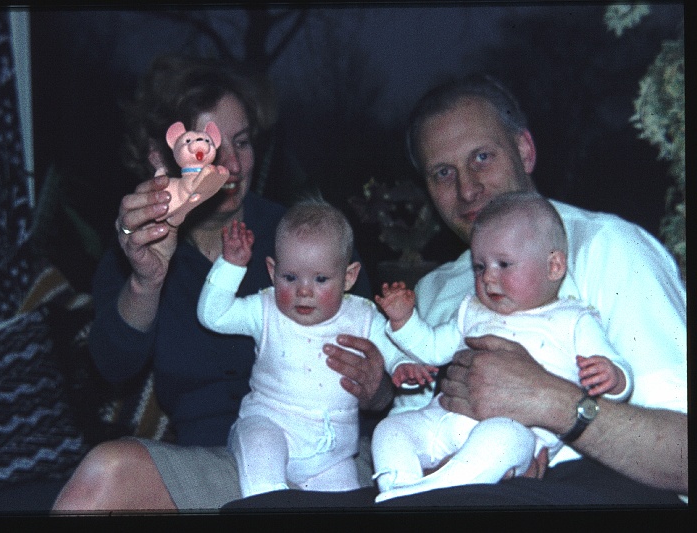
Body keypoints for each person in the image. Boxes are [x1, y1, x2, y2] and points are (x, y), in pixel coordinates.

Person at [223, 73, 686, 510]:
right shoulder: (435, 292)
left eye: (482, 157)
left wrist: (547, 399)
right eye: (443, 173)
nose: (467, 188)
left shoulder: (608, 249)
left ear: (524, 150)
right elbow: (413, 434)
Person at [51, 55, 390, 512]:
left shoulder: (306, 237)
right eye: (207, 146)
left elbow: (388, 376)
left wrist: (378, 387)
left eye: (243, 142)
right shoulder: (135, 250)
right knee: (106, 474)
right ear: (160, 154)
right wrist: (146, 281)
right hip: (217, 468)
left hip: (335, 459)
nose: (231, 164)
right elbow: (112, 366)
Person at [370, 191, 632, 502]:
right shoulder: (472, 311)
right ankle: (398, 488)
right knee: (390, 431)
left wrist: (613, 377)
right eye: (480, 266)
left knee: (503, 439)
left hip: (516, 435)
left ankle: (432, 491)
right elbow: (432, 348)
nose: (489, 278)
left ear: (554, 266)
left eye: (504, 264)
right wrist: (404, 321)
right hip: (442, 419)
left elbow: (617, 374)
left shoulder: (574, 320)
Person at [197, 200, 406, 498]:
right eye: (290, 277)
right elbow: (212, 315)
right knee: (263, 476)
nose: (304, 290)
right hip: (269, 426)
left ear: (349, 277)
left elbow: (394, 351)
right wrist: (230, 267)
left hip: (331, 450)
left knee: (347, 501)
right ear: (272, 271)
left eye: (320, 279)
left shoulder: (363, 316)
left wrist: (403, 367)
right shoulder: (265, 309)